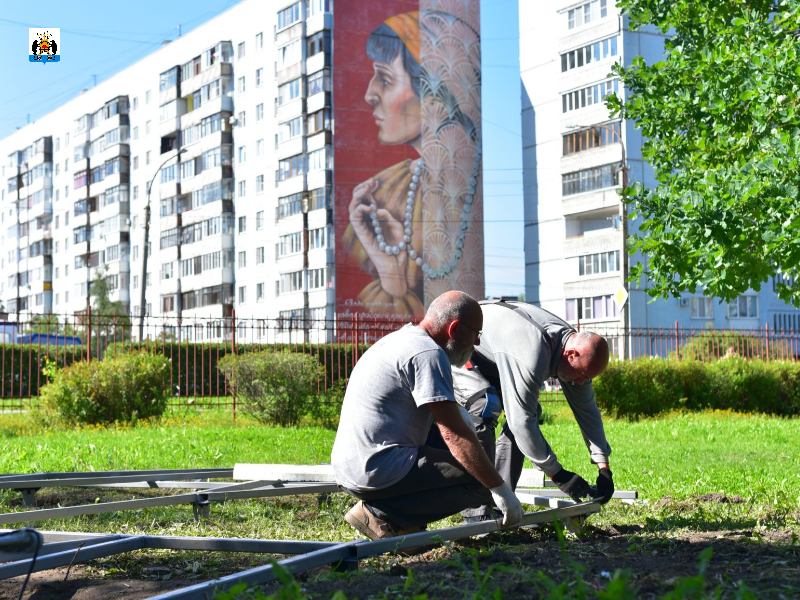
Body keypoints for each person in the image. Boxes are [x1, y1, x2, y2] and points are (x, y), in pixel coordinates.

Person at [331, 291, 523, 540]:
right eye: (477, 333)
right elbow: (454, 435)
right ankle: (382, 515)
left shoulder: (403, 340)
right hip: (376, 470)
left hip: (352, 465)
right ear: (454, 328)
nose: (477, 343)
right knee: (479, 481)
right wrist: (500, 489)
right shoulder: (429, 354)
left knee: (472, 458)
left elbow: (445, 415)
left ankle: (404, 524)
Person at [343, 10, 483, 318]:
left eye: (385, 78)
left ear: (433, 91)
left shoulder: (474, 192)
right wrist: (390, 272)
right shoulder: (385, 191)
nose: (369, 94)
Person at [450, 300, 615, 521]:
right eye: (582, 375)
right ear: (572, 355)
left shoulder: (574, 352)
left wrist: (603, 466)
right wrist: (559, 474)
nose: (581, 382)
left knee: (529, 411)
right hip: (465, 347)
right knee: (485, 406)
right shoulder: (533, 353)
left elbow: (588, 411)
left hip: (499, 356)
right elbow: (521, 422)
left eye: (587, 378)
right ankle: (476, 509)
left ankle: (501, 500)